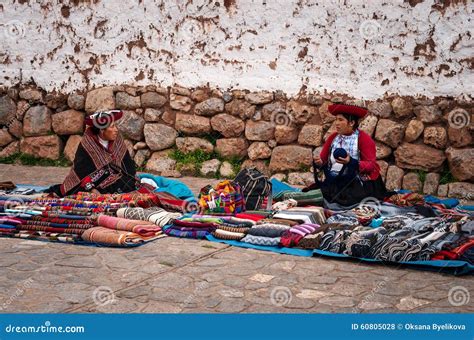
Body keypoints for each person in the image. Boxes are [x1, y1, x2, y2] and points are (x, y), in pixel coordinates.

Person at [303, 104, 388, 207]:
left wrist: (351, 162)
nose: (336, 124)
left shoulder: (364, 139)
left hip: (357, 184)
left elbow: (370, 165)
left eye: (340, 120)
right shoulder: (333, 138)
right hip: (336, 181)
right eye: (336, 120)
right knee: (312, 195)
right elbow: (323, 159)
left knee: (347, 199)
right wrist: (320, 163)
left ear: (351, 122)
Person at [46, 110, 138, 197]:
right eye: (112, 127)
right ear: (102, 130)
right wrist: (92, 189)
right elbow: (81, 172)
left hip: (115, 179)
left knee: (129, 183)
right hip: (93, 183)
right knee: (77, 190)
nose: (116, 130)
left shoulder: (117, 140)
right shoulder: (88, 144)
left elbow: (127, 164)